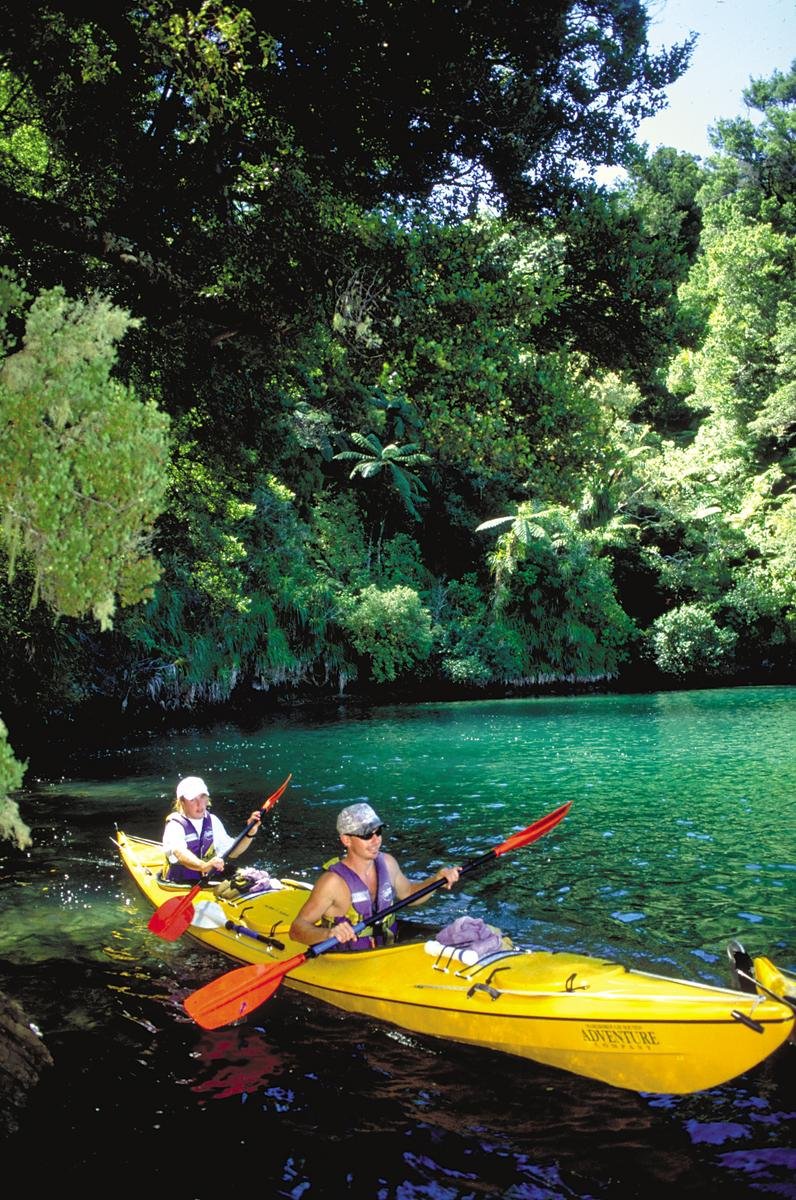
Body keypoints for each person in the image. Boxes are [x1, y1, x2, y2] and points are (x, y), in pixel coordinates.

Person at [289, 802, 460, 950]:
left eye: (378, 832)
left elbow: (408, 893)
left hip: (385, 948)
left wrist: (436, 881)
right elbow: (297, 928)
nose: (376, 840)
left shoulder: (387, 862)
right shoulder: (332, 882)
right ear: (346, 840)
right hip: (347, 957)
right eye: (367, 835)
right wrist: (329, 933)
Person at [161, 775, 262, 883]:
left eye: (202, 796)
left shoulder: (212, 820)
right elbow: (180, 853)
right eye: (192, 800)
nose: (200, 804)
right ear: (182, 801)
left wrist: (250, 832)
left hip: (210, 879)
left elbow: (233, 852)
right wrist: (204, 866)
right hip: (180, 882)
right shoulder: (174, 825)